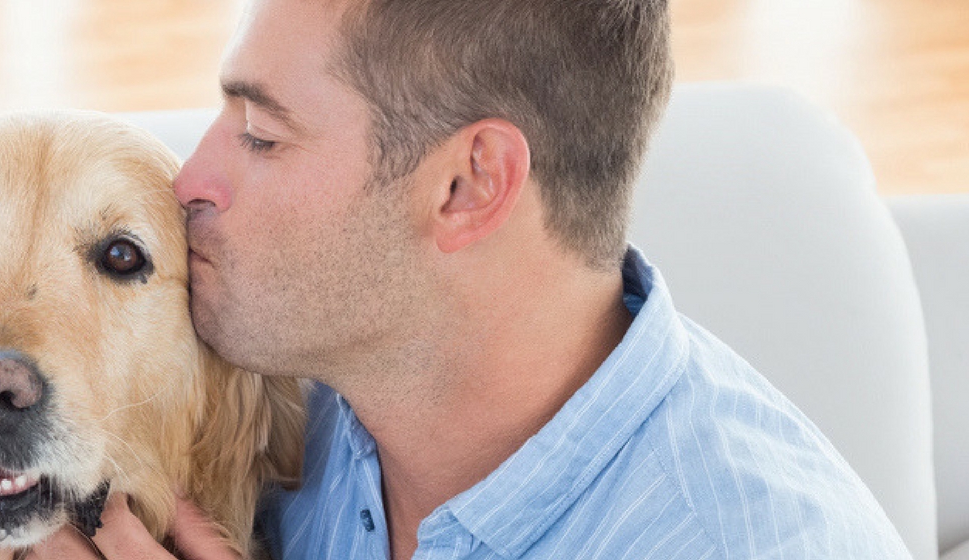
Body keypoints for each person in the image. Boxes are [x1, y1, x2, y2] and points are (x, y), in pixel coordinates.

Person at [170, 0, 915, 558]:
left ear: (469, 185)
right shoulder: (294, 390)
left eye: (261, 136)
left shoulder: (744, 541)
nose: (188, 180)